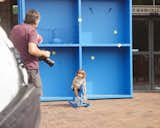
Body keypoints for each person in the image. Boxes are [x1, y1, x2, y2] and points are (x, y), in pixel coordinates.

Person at [10, 9, 50, 96]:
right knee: (36, 94)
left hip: (17, 67)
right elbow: (32, 50)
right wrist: (44, 53)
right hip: (30, 68)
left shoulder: (15, 29)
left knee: (21, 96)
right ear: (36, 20)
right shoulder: (31, 31)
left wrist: (36, 38)